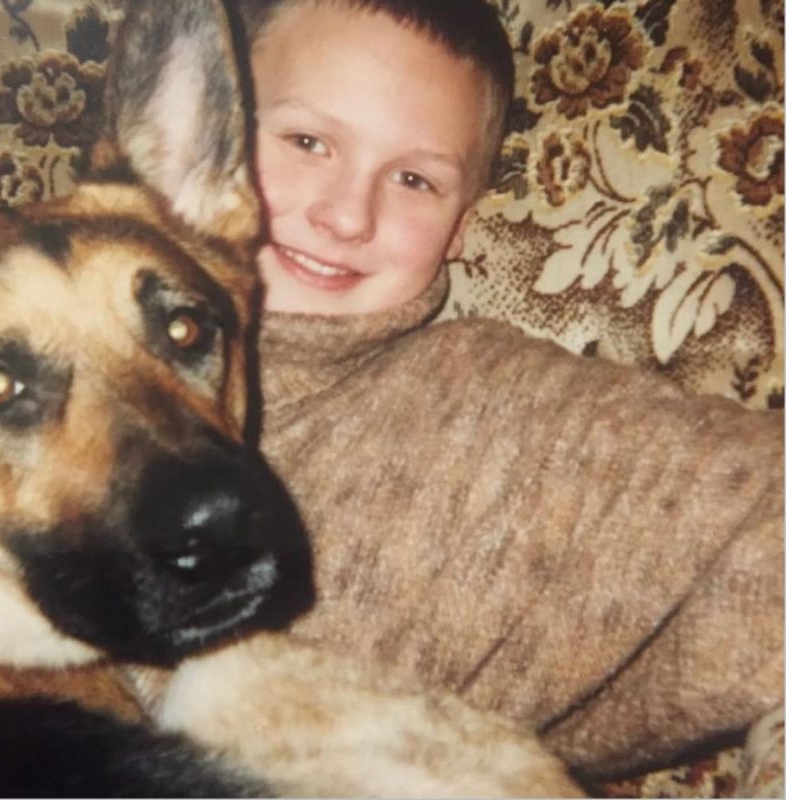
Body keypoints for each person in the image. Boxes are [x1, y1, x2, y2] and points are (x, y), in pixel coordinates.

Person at [235, 0, 784, 783]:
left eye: (415, 179)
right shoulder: (59, 305)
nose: (347, 215)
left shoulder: (499, 417)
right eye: (306, 142)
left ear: (461, 226)